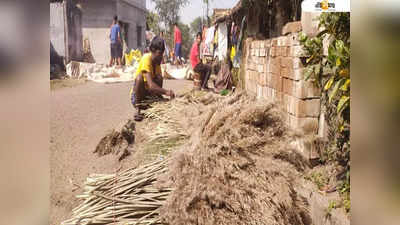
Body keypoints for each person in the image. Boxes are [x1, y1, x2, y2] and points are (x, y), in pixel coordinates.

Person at [130, 36, 175, 121]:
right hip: (138, 97)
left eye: (162, 54)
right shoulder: (146, 58)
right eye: (159, 53)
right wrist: (166, 92)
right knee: (139, 78)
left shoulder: (157, 64)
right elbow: (151, 85)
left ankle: (155, 100)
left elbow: (157, 84)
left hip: (148, 96)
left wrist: (160, 95)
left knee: (159, 77)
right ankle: (137, 109)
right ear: (152, 51)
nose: (161, 57)